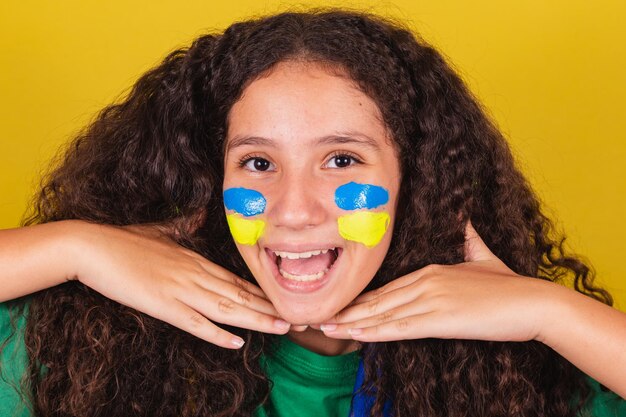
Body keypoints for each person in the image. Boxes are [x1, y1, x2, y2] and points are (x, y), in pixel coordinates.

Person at [1, 9, 625, 417]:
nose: (293, 212)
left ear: (416, 180)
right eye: (258, 164)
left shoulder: (521, 368)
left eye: (342, 160)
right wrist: (73, 248)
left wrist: (549, 311)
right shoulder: (94, 342)